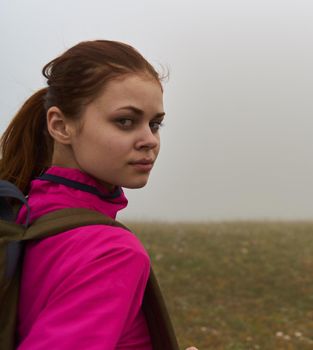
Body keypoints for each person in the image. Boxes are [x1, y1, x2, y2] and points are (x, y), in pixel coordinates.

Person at [0, 40, 197, 350]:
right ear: (61, 125)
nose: (149, 140)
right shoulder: (111, 253)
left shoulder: (20, 215)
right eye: (125, 121)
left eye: (155, 124)